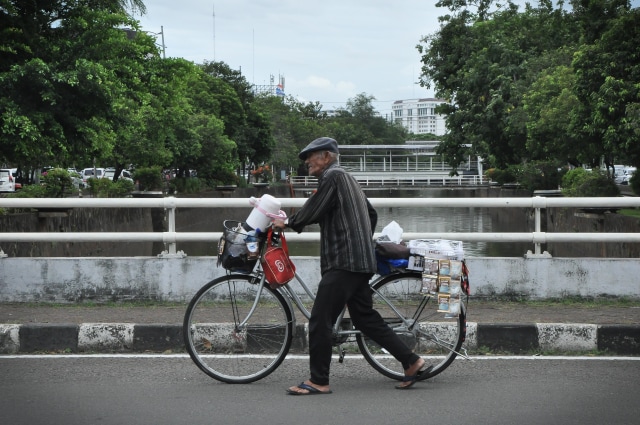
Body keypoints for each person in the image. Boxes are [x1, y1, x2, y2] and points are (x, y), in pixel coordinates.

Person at [273, 137, 429, 395]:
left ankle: (318, 381)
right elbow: (371, 214)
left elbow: (314, 209)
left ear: (326, 157)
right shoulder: (348, 178)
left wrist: (288, 222)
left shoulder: (332, 177)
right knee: (365, 319)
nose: (307, 162)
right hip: (360, 260)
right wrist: (360, 241)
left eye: (311, 156)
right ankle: (411, 361)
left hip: (344, 261)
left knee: (320, 320)